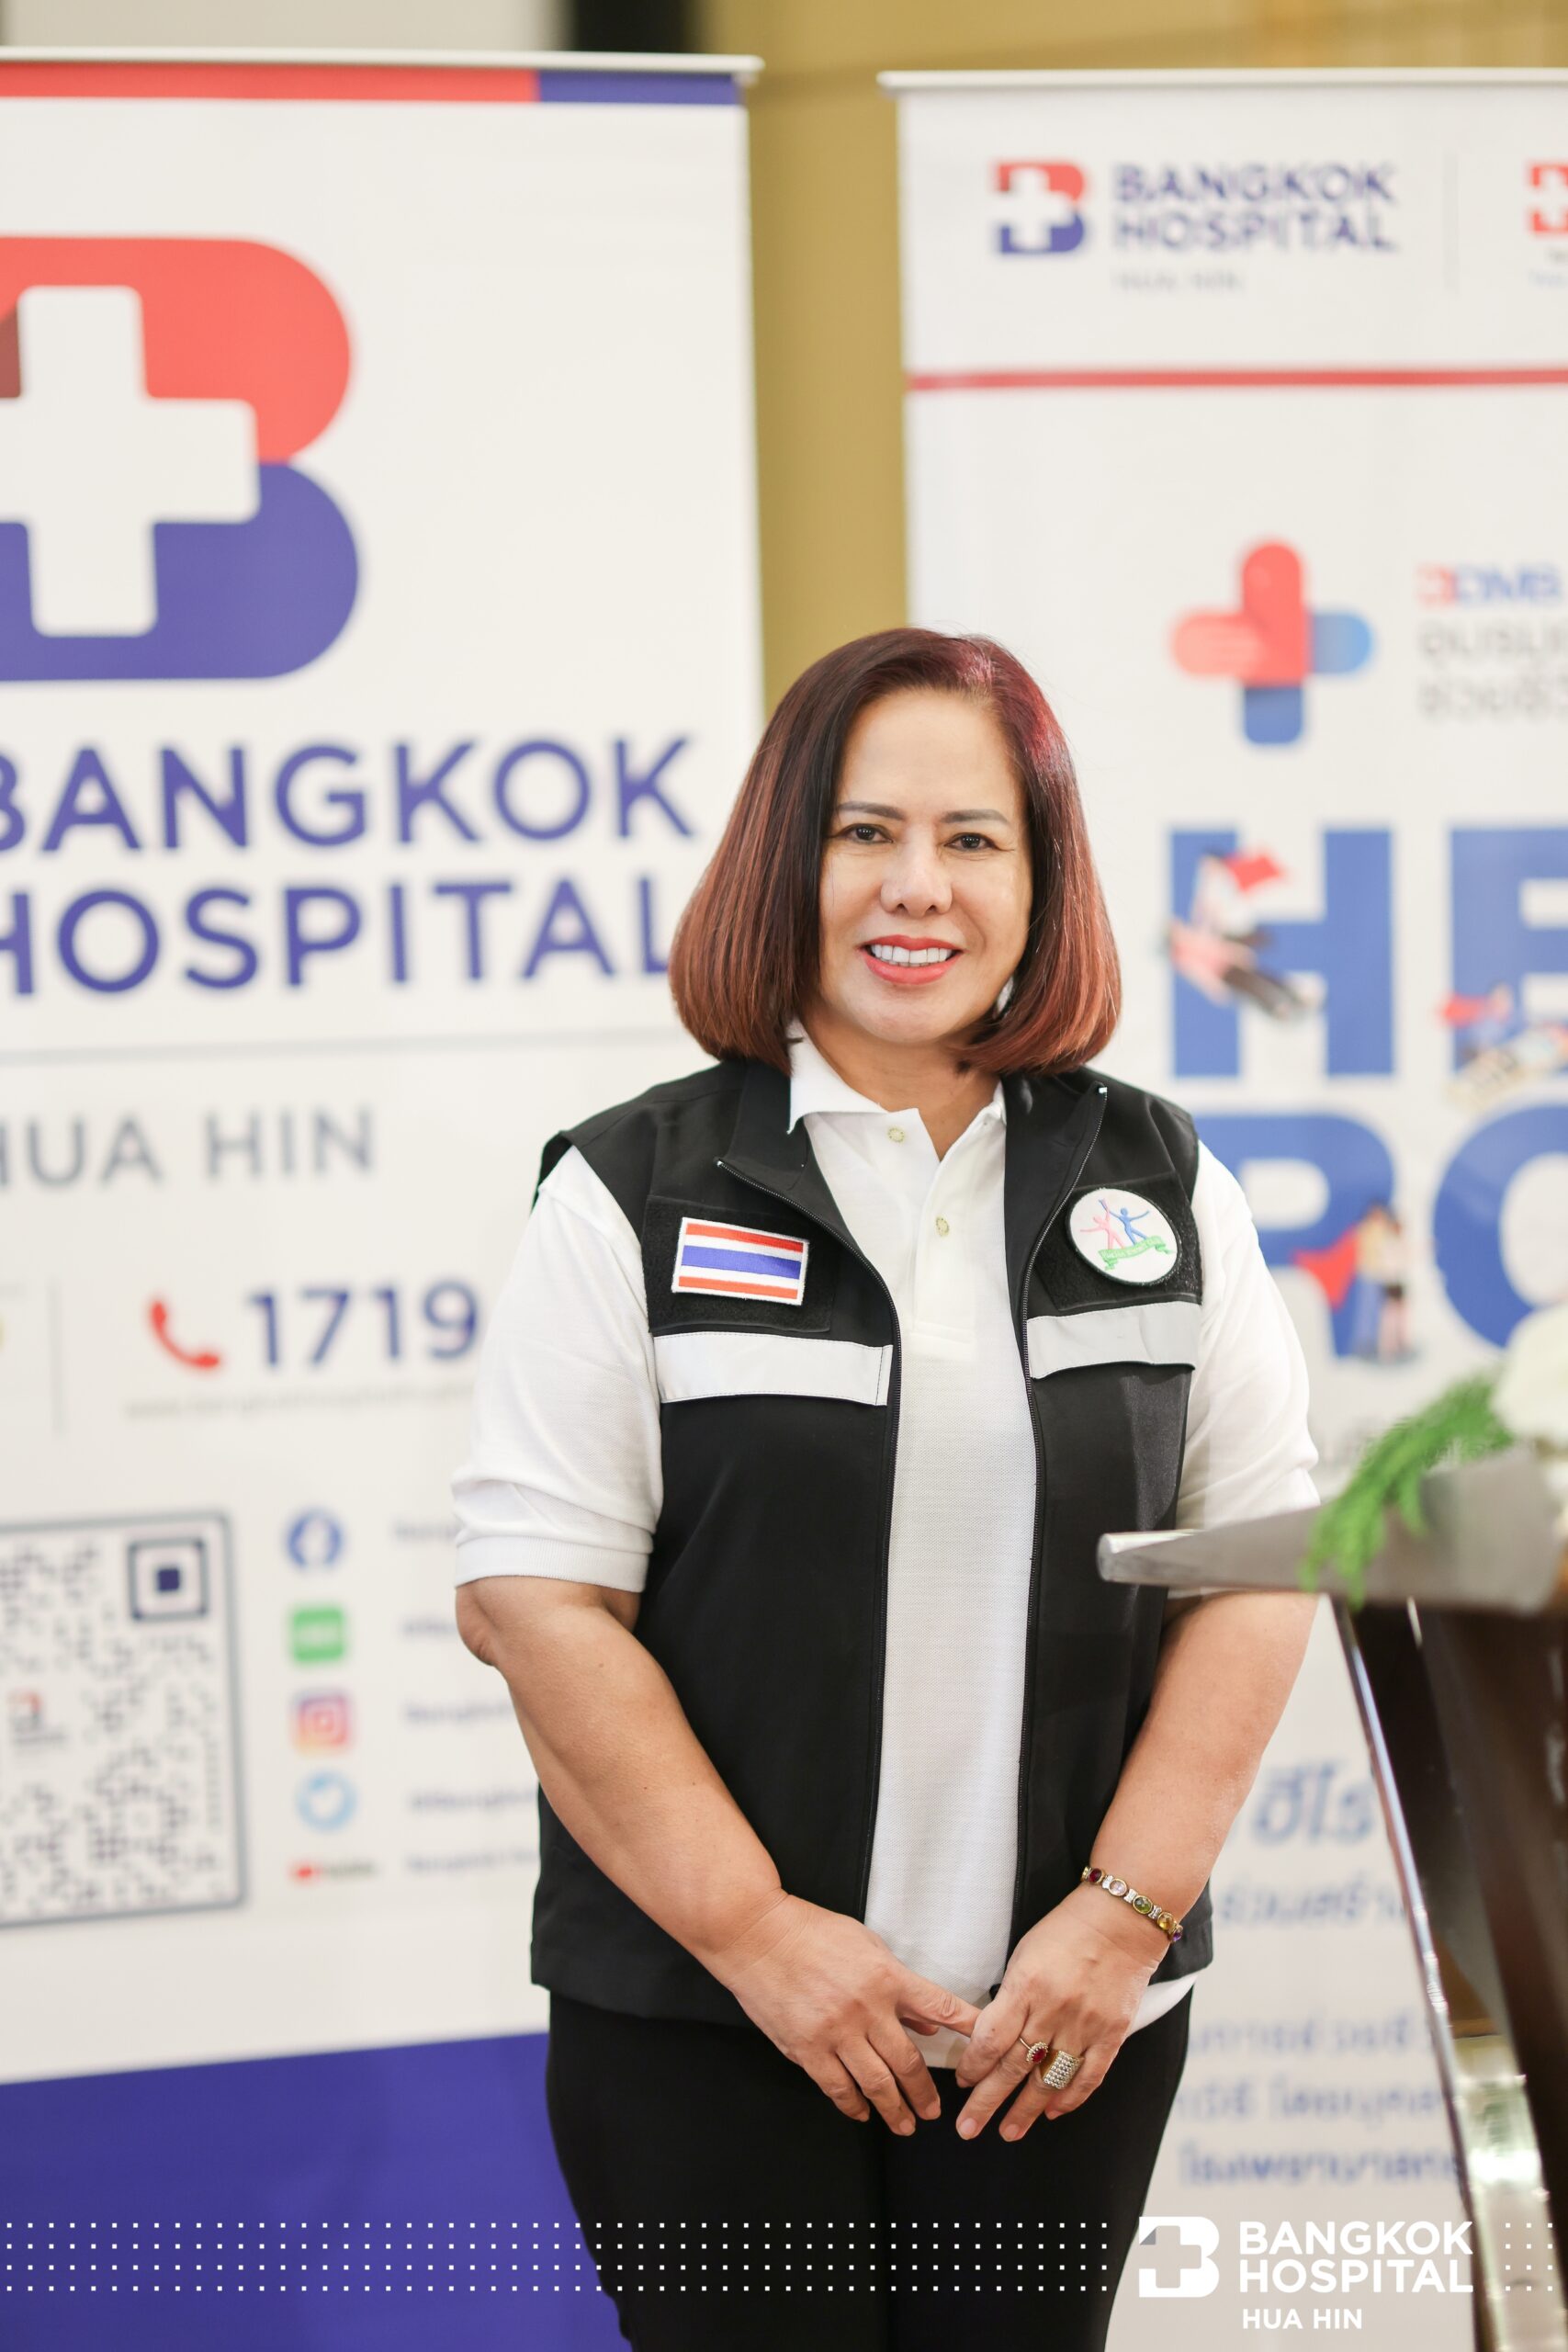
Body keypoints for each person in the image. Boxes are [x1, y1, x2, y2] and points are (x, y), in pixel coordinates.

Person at [451, 628, 1321, 2349]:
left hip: (1052, 2033)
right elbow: (537, 1603)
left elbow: (1256, 1560)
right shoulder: (633, 1189)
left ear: (1039, 882)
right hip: (712, 2023)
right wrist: (760, 1936)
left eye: (971, 838)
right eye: (864, 832)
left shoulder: (1159, 1179)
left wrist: (1120, 1923)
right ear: (787, 863)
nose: (917, 885)